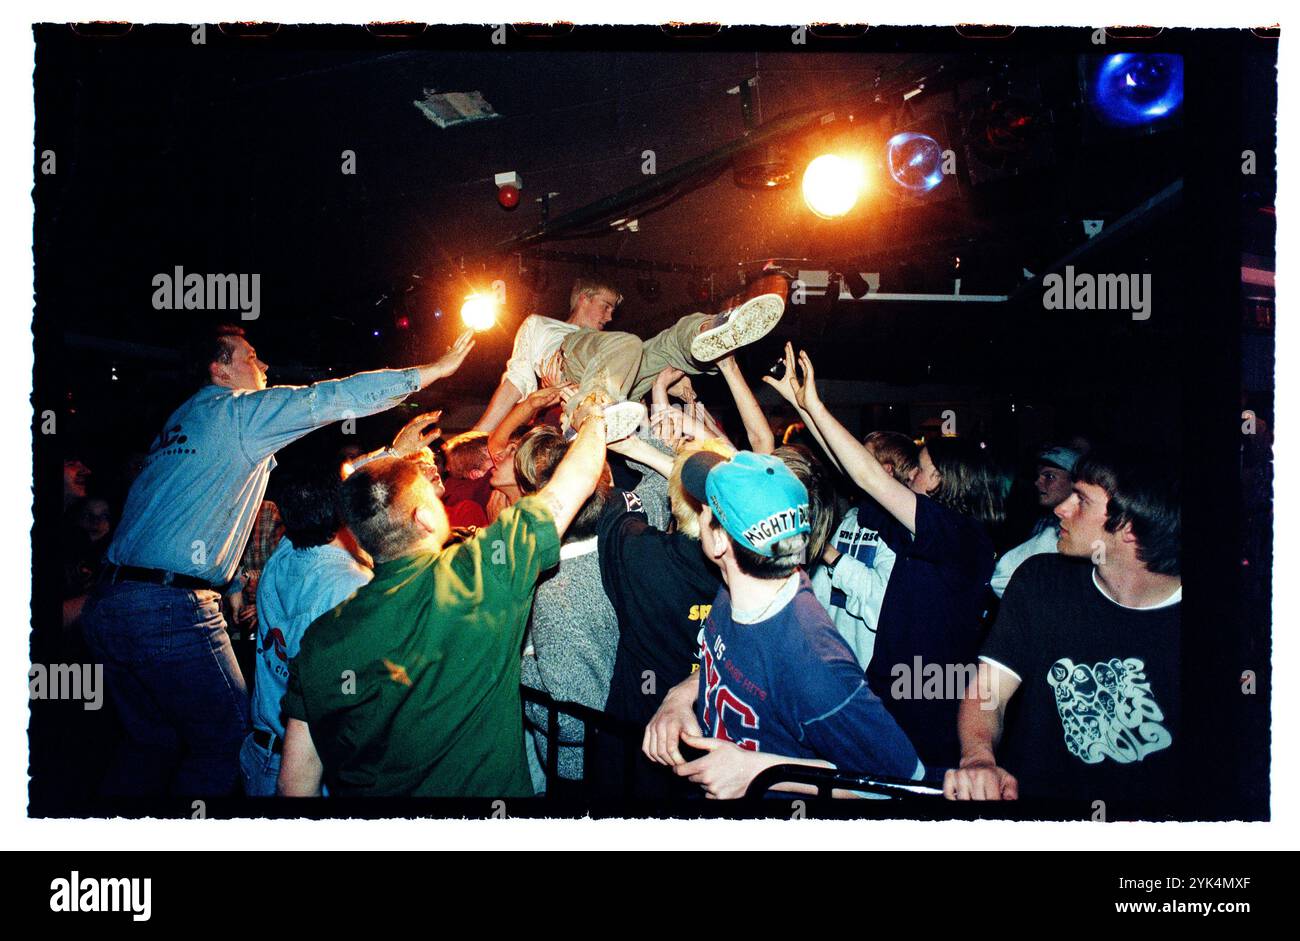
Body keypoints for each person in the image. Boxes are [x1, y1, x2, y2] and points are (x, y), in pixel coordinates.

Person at [80, 323, 476, 796]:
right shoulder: (235, 412)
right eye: (250, 357)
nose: (263, 366)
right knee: (223, 742)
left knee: (151, 744)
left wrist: (226, 587)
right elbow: (326, 398)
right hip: (165, 606)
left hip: (108, 602)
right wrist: (431, 371)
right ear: (220, 369)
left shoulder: (182, 421)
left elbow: (190, 514)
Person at [276, 393, 612, 797]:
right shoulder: (478, 575)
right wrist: (594, 418)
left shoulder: (319, 643)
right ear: (422, 517)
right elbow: (571, 485)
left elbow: (295, 785)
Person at [765, 342, 1004, 771]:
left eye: (924, 467)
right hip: (885, 691)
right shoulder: (912, 529)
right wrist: (802, 408)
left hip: (929, 709)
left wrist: (816, 406)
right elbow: (851, 471)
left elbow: (870, 475)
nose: (913, 472)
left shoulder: (964, 539)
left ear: (950, 480)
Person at [642, 450, 923, 799]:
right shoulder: (740, 587)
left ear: (718, 542)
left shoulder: (814, 664)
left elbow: (902, 782)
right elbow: (733, 662)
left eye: (704, 510)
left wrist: (761, 772)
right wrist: (679, 697)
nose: (698, 513)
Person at [944, 448, 1181, 804]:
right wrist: (979, 757)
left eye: (1081, 500)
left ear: (1130, 526)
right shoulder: (1041, 581)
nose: (1061, 508)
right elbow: (989, 691)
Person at [474, 274, 789, 440]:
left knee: (670, 340)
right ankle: (592, 408)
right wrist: (477, 435)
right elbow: (515, 382)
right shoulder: (539, 324)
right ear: (584, 298)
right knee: (626, 344)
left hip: (612, 374)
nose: (610, 316)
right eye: (606, 306)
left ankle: (716, 327)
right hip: (570, 359)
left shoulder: (610, 340)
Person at [588, 435, 726, 798]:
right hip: (712, 748)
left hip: (638, 744)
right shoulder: (749, 571)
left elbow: (619, 508)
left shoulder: (646, 556)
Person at [240, 464, 372, 796]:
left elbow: (307, 510)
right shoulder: (350, 585)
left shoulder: (282, 556)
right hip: (304, 770)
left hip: (262, 754)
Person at [513, 426, 617, 793]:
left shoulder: (552, 593)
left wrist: (518, 661)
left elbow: (572, 721)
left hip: (578, 768)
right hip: (620, 760)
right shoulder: (621, 545)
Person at [811, 431, 919, 668]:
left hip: (874, 673)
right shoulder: (853, 516)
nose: (853, 462)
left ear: (886, 471)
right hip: (834, 663)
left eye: (863, 456)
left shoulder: (902, 530)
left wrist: (831, 554)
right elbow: (820, 592)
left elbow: (883, 604)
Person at [989, 444, 1084, 598]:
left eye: (1050, 476)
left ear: (1075, 483)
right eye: (1039, 475)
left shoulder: (1075, 529)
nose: (1037, 482)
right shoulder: (1040, 518)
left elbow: (1002, 578)